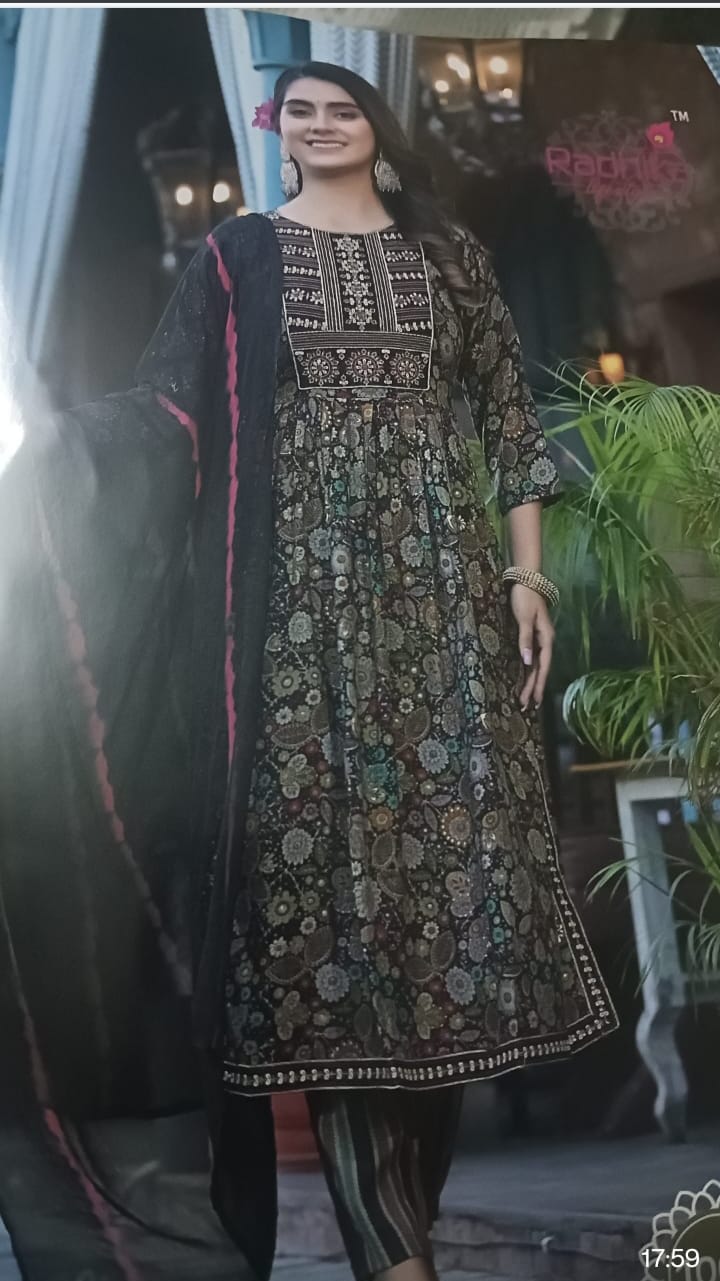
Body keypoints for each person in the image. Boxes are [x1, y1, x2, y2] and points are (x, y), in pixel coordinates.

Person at [1, 61, 616, 1281]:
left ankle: (407, 1225)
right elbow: (171, 414)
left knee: (436, 934)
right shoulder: (238, 259)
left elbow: (508, 421)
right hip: (294, 629)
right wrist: (57, 458)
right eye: (300, 112)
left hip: (443, 615)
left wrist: (526, 580)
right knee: (331, 941)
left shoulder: (448, 259)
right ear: (278, 134)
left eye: (341, 106)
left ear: (373, 125)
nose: (321, 123)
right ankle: (397, 1258)